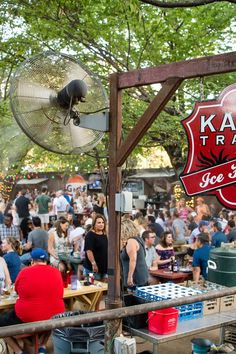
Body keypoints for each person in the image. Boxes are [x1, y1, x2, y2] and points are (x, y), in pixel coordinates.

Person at [0, 248, 65, 354]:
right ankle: (42, 346)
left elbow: (16, 290)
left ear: (32, 261)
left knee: (2, 322)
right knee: (49, 317)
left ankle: (18, 351)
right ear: (46, 261)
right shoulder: (56, 272)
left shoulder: (25, 271)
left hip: (28, 317)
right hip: (54, 317)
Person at [120, 218, 148, 288]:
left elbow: (133, 260)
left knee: (136, 297)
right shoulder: (138, 239)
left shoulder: (131, 241)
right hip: (141, 274)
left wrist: (130, 277)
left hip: (136, 277)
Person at [83, 214, 108, 281]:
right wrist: (93, 264)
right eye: (99, 222)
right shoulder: (90, 235)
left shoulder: (105, 234)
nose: (101, 224)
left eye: (103, 222)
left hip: (104, 268)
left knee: (103, 289)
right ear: (94, 224)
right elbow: (89, 251)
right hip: (92, 268)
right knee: (92, 288)